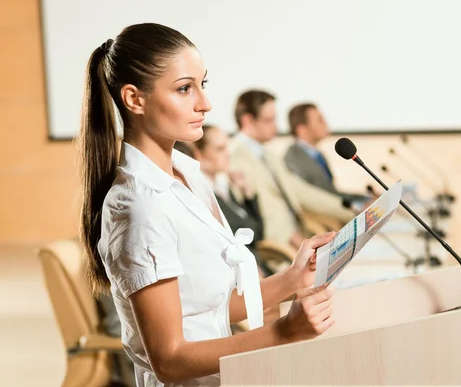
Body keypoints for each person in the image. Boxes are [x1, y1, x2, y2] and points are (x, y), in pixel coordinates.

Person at [78, 23, 336, 387]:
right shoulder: (139, 207)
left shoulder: (186, 173)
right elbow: (168, 360)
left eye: (203, 84)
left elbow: (208, 306)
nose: (205, 104)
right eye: (185, 89)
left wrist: (292, 279)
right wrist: (284, 332)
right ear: (134, 99)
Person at [229, 90, 356, 249]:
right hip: (276, 247)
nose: (276, 127)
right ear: (248, 120)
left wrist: (350, 209)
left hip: (296, 238)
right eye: (269, 120)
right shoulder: (234, 157)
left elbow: (300, 191)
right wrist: (291, 238)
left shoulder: (268, 154)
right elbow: (262, 210)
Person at [173, 134, 273, 276]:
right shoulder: (203, 196)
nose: (227, 154)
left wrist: (247, 194)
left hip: (258, 267)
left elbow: (257, 234)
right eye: (220, 149)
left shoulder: (225, 188)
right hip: (244, 274)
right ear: (199, 155)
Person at [284, 103, 371, 211]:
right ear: (302, 129)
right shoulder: (293, 160)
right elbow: (315, 199)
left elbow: (332, 192)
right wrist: (358, 206)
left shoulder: (317, 155)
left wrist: (365, 199)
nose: (326, 123)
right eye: (320, 120)